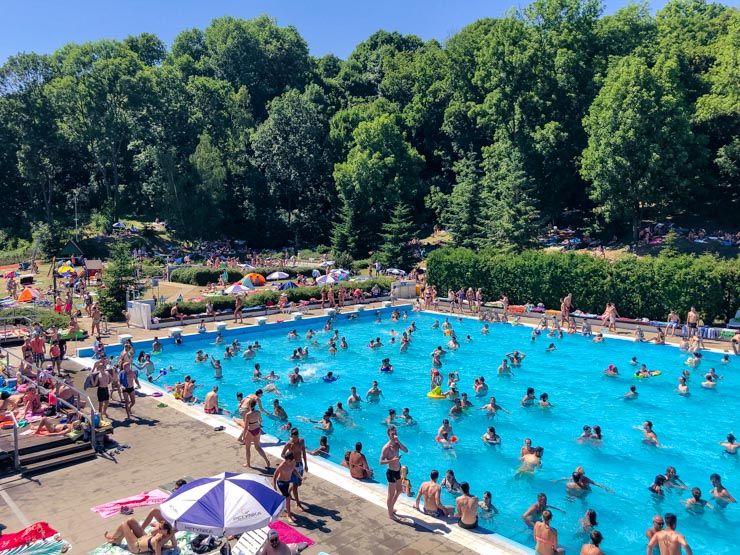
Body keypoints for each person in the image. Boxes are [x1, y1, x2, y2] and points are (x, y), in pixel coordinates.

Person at [104, 517, 175, 555]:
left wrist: (159, 547)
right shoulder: (170, 533)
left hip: (136, 546)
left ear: (165, 530)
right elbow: (174, 545)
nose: (157, 529)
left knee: (123, 525)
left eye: (160, 528)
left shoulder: (158, 541)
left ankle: (115, 539)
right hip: (144, 537)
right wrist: (164, 546)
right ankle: (116, 539)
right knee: (130, 520)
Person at [380, 426, 408, 520]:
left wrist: (398, 440)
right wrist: (391, 461)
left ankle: (391, 507)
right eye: (392, 434)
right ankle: (390, 514)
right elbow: (381, 462)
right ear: (388, 435)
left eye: (395, 433)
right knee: (391, 494)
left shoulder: (397, 444)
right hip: (391, 472)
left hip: (398, 470)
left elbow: (406, 450)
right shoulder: (386, 448)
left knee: (399, 490)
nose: (394, 435)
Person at [239, 398, 270, 469]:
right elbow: (261, 421)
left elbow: (246, 426)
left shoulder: (248, 415)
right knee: (257, 447)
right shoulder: (258, 412)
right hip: (257, 430)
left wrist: (243, 436)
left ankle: (248, 464)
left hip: (250, 431)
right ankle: (266, 460)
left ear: (249, 405)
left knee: (247, 448)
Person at [281, 428, 308, 509]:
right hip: (293, 466)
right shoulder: (289, 444)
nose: (295, 439)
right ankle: (298, 504)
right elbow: (282, 454)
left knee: (299, 483)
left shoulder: (301, 441)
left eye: (297, 437)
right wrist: (289, 460)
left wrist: (306, 464)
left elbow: (304, 452)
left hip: (300, 464)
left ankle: (289, 492)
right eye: (294, 437)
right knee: (295, 484)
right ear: (291, 436)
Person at [273, 452, 303, 521]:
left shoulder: (293, 463)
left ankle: (278, 506)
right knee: (288, 498)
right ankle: (289, 515)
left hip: (287, 482)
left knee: (284, 497)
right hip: (281, 482)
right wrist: (274, 485)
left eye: (288, 460)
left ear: (291, 460)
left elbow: (294, 471)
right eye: (286, 460)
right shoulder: (282, 466)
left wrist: (300, 477)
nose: (286, 461)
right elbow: (275, 475)